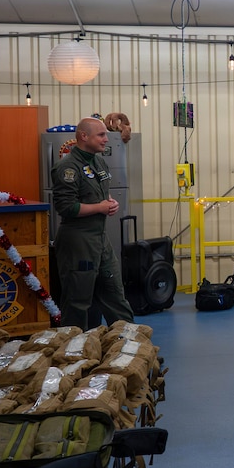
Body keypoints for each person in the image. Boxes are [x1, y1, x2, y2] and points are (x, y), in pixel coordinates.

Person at [50, 116, 134, 329]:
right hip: (78, 241)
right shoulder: (67, 167)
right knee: (78, 302)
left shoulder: (99, 162)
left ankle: (131, 348)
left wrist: (110, 203)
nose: (106, 139)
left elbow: (99, 196)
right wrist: (100, 207)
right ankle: (74, 355)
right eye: (101, 135)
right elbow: (66, 207)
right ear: (83, 136)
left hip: (100, 239)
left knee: (115, 295)